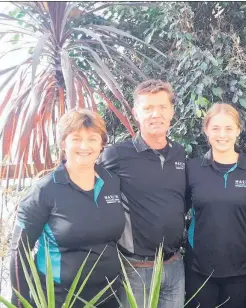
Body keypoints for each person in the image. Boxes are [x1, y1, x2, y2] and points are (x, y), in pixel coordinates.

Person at [9, 109, 125, 307]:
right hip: (60, 298)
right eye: (76, 138)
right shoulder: (45, 190)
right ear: (63, 143)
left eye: (92, 139)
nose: (84, 146)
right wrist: (20, 301)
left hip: (109, 295)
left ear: (101, 144)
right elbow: (18, 250)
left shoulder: (111, 182)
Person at [97, 80, 186, 308]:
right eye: (148, 108)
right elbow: (93, 197)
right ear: (136, 114)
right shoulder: (117, 155)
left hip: (175, 266)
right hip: (136, 269)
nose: (156, 114)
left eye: (162, 107)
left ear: (172, 112)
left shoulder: (179, 153)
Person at [185, 103, 246, 308]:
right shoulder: (192, 169)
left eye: (229, 128)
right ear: (206, 130)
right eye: (215, 128)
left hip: (242, 271)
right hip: (199, 269)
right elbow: (180, 208)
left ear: (238, 130)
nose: (222, 134)